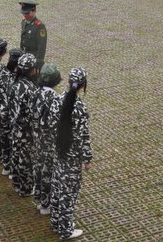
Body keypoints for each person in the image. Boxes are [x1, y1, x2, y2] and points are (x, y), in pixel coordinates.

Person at [49, 67, 92, 240]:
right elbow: (83, 136)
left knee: (57, 188)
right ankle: (66, 230)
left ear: (68, 82)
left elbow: (50, 126)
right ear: (83, 85)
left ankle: (56, 222)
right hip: (72, 159)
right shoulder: (80, 108)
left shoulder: (56, 100)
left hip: (58, 153)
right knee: (69, 194)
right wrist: (87, 159)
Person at [9, 53, 41, 197]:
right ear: (32, 70)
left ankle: (17, 183)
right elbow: (33, 114)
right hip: (26, 130)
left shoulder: (15, 83)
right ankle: (26, 188)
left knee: (16, 154)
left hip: (15, 127)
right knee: (26, 159)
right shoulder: (31, 89)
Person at [33, 63, 62, 215]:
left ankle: (39, 199)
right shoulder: (54, 98)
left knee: (38, 168)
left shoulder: (36, 92)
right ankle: (46, 204)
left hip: (38, 139)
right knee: (48, 172)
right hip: (49, 142)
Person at [20, 1, 47, 66]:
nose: (25, 15)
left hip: (33, 58)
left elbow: (42, 46)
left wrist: (39, 62)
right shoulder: (24, 22)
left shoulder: (40, 26)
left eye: (27, 13)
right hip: (24, 55)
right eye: (24, 13)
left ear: (34, 11)